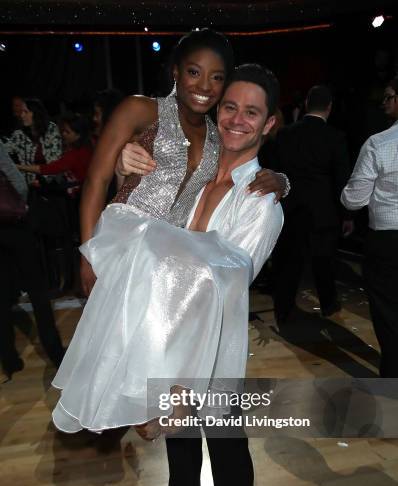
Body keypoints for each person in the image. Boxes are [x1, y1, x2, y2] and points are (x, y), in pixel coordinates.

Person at [51, 58, 283, 486]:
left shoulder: (263, 203)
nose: (237, 120)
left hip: (213, 349)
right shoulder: (193, 174)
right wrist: (127, 173)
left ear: (269, 123)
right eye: (230, 107)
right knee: (179, 444)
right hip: (167, 336)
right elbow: (141, 235)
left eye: (252, 113)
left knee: (227, 451)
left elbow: (222, 286)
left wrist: (179, 383)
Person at [78, 29, 288, 297]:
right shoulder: (140, 109)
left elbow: (242, 164)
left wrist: (282, 181)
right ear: (176, 72)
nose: (203, 86)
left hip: (162, 264)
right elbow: (97, 179)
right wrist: (88, 252)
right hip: (120, 242)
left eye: (216, 78)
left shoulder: (218, 136)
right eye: (194, 72)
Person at [269, 85, 351, 323]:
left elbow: (276, 171)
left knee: (289, 261)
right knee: (324, 261)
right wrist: (347, 215)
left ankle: (283, 310)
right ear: (329, 107)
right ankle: (328, 304)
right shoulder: (335, 137)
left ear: (306, 103)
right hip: (323, 209)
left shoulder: (286, 134)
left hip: (291, 206)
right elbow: (342, 178)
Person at [341, 77, 398, 377]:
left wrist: (345, 195)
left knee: (388, 313)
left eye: (389, 97)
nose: (384, 102)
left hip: (387, 241)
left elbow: (354, 200)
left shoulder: (379, 143)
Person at [0, 142, 65, 378]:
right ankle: (55, 353)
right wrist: (23, 206)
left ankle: (9, 359)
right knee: (37, 291)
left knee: (1, 296)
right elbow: (15, 179)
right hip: (14, 224)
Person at [17, 112, 93, 197]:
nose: (63, 134)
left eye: (67, 132)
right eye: (63, 130)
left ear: (78, 135)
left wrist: (18, 167)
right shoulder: (83, 147)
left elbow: (48, 169)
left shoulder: (75, 154)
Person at [2, 98, 62, 185]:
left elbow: (54, 164)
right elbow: (4, 150)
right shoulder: (19, 134)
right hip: (29, 185)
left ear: (36, 114)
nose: (22, 115)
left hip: (50, 183)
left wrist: (42, 180)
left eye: (26, 112)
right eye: (21, 112)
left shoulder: (51, 130)